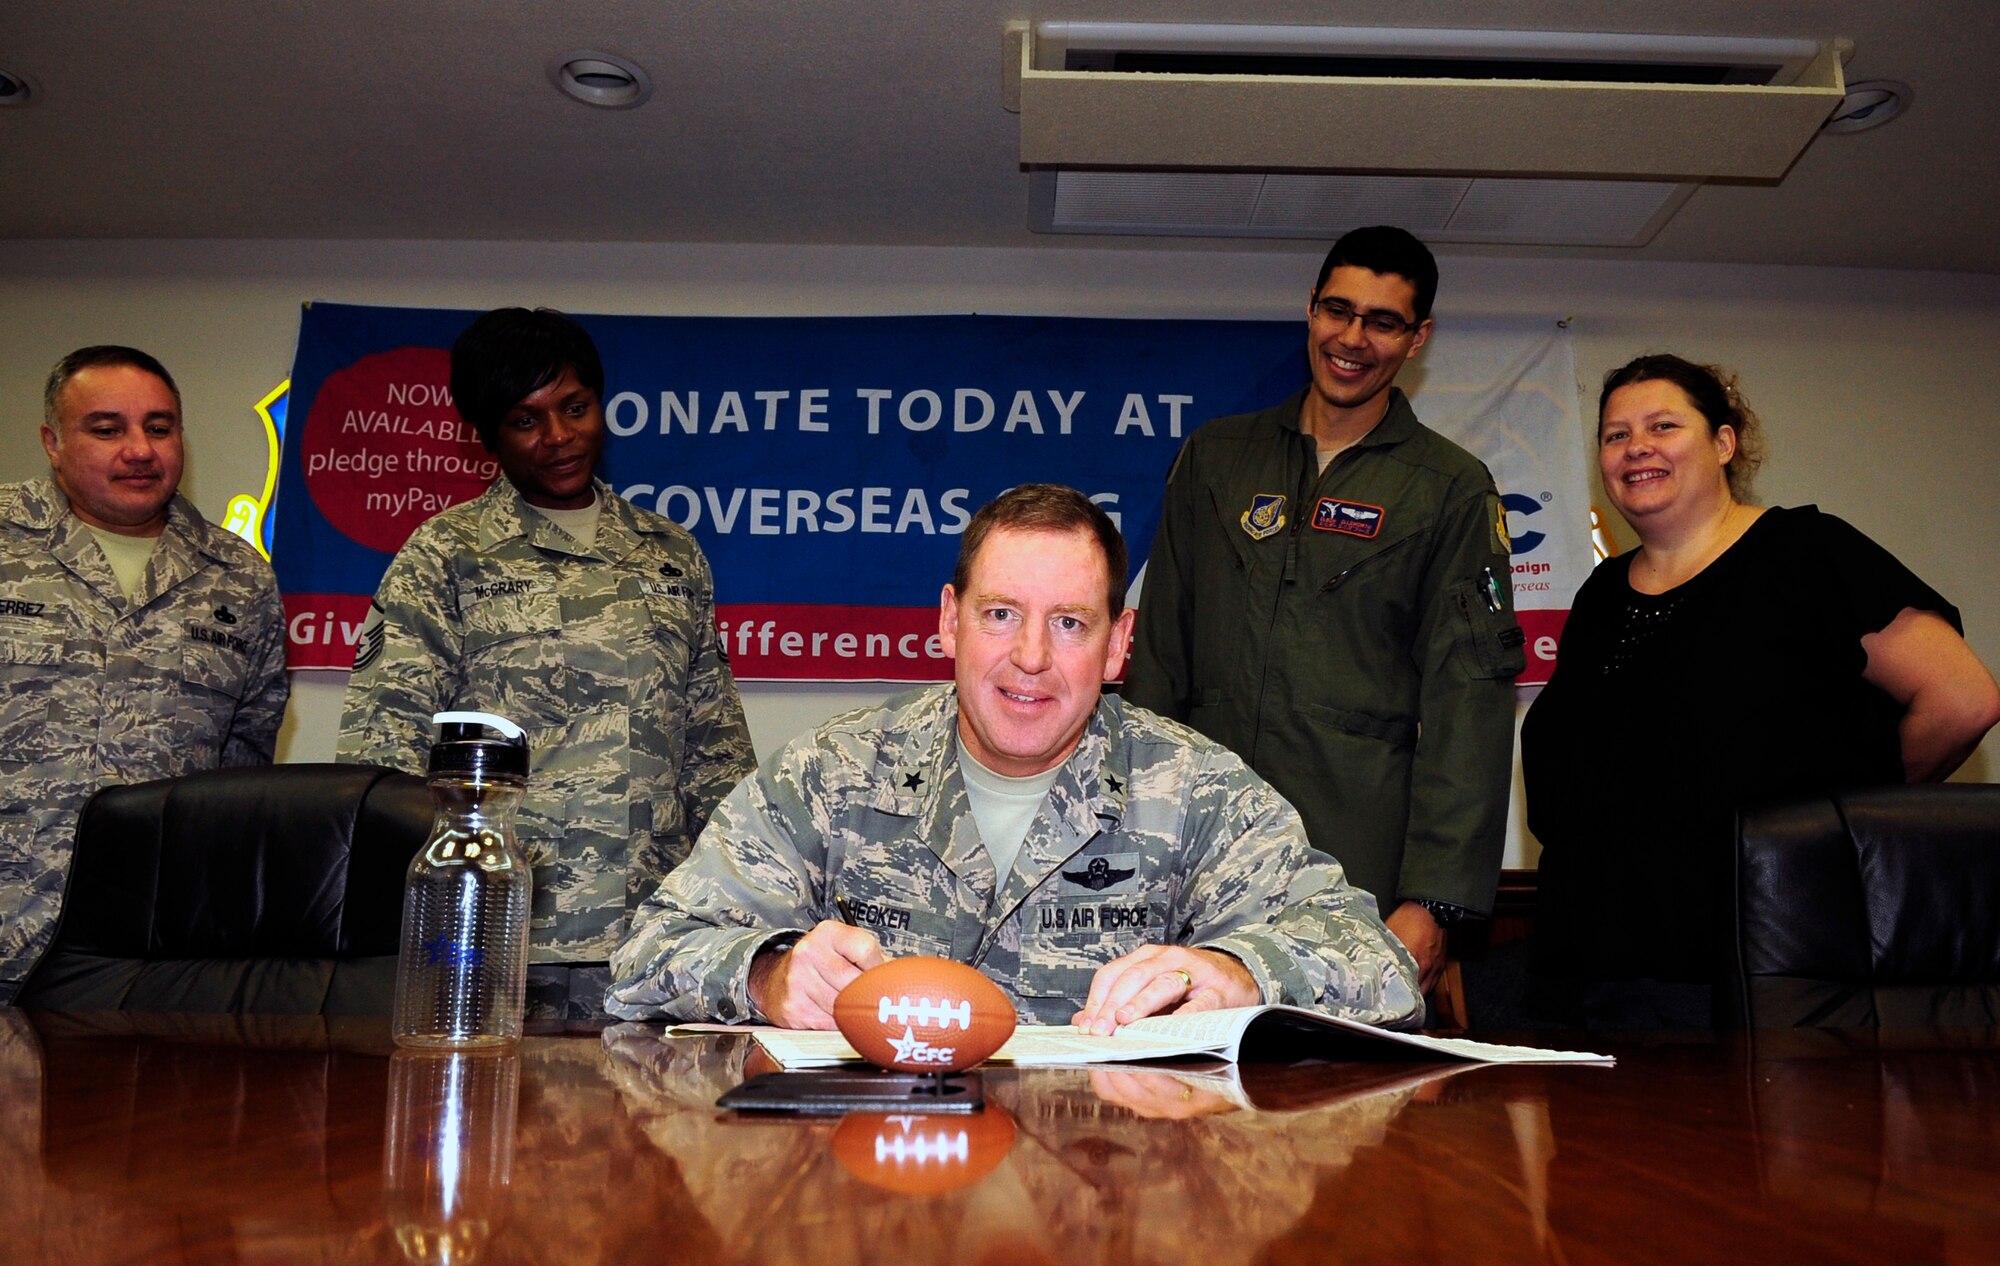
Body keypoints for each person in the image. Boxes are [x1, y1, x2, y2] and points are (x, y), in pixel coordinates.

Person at [606, 484, 1420, 1032]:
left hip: (1104, 1201)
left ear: (1117, 646)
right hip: (874, 1204)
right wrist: (767, 975)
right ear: (948, 622)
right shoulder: (830, 774)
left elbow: (1379, 966)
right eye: (1000, 614)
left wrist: (1241, 974)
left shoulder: (1195, 790)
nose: (1030, 656)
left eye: (1070, 623)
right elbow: (646, 957)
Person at [1520, 354, 2000, 1027]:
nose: (1637, 449)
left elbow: (1964, 700)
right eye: (1615, 435)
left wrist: (1840, 827)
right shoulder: (1601, 596)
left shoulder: (1807, 553)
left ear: (1723, 442)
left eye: (1662, 426)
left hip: (1755, 972)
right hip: (1593, 973)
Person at [1124, 226, 1524, 995]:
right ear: (1309, 309)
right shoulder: (1217, 457)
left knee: (1345, 1103)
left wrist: (1435, 903)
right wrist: (1135, 851)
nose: (1352, 338)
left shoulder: (1449, 488)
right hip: (1196, 858)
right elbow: (1159, 664)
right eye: (1337, 310)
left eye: (1383, 321)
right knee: (1178, 1092)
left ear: (1418, 338)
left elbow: (1468, 703)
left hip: (1356, 870)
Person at [338, 307, 754, 1019]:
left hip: (655, 941)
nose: (560, 437)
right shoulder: (447, 555)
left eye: (576, 407)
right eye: (527, 420)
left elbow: (713, 749)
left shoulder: (670, 553)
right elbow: (384, 748)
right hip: (501, 939)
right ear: (488, 436)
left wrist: (741, 907)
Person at [0, 346, 289, 1002]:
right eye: (107, 429)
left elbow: (242, 775)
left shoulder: (238, 576)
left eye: (158, 428)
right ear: (52, 441)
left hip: (154, 955)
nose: (139, 449)